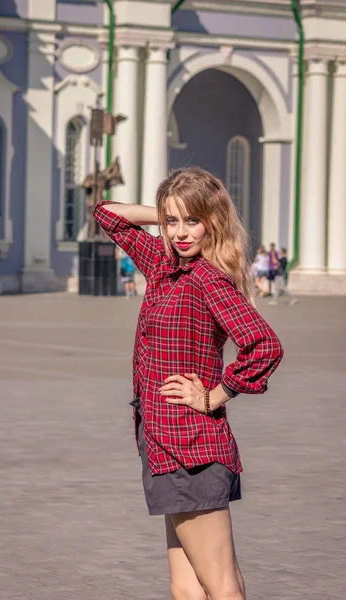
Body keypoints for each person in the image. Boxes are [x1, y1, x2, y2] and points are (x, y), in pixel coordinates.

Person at [93, 167, 283, 600]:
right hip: (163, 443)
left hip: (191, 447)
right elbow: (107, 214)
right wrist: (166, 211)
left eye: (191, 220)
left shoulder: (207, 279)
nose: (179, 233)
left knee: (220, 586)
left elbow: (264, 346)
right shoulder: (163, 265)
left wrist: (216, 394)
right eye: (171, 221)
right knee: (186, 586)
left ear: (212, 221)